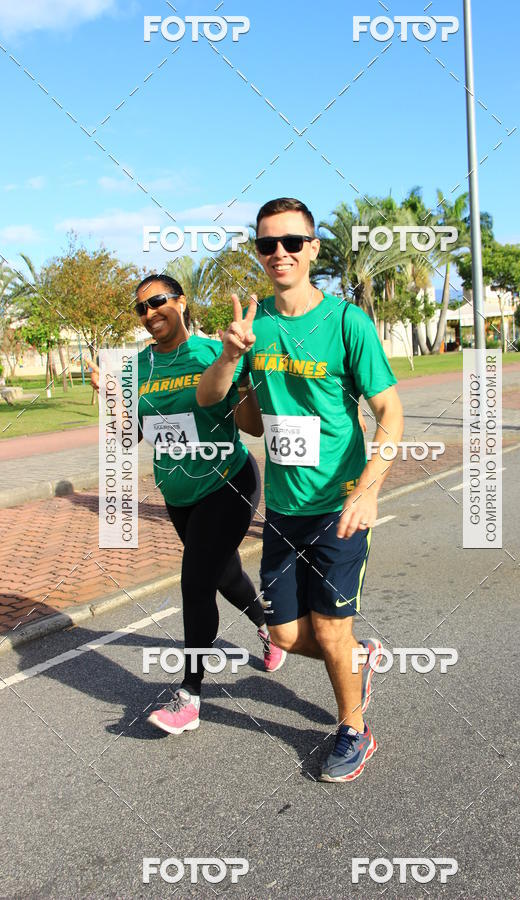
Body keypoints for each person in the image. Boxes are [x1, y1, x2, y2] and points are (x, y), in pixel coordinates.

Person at [196, 198, 404, 781]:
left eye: (292, 242)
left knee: (332, 629)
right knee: (285, 634)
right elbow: (228, 409)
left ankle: (353, 730)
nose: (279, 253)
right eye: (268, 244)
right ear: (258, 252)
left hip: (340, 505)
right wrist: (231, 359)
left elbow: (390, 412)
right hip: (283, 509)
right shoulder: (253, 327)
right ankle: (356, 659)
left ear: (313, 248)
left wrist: (369, 489)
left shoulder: (346, 323)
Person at [91, 273, 286, 736]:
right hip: (178, 493)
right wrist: (112, 403)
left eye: (158, 301)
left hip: (227, 482)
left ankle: (190, 695)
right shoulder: (137, 367)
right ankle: (267, 626)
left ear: (181, 302)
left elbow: (252, 426)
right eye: (141, 307)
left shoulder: (212, 352)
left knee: (195, 583)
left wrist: (240, 368)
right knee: (224, 574)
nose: (149, 313)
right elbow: (131, 437)